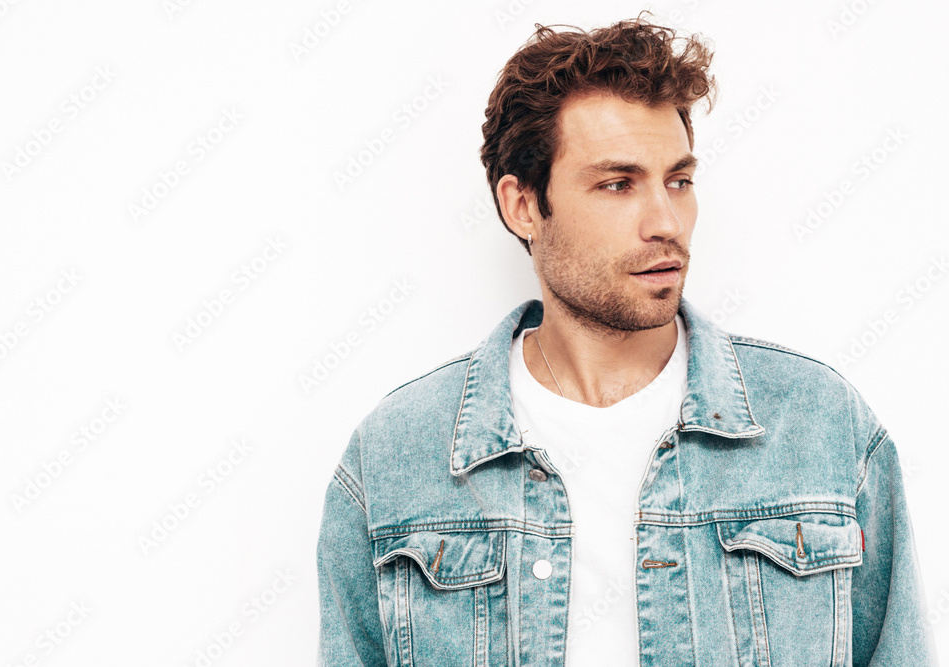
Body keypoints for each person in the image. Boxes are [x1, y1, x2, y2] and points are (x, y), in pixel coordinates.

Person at [316, 12, 938, 665]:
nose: (665, 221)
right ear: (522, 205)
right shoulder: (396, 455)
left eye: (679, 181)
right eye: (618, 184)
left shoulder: (820, 424)